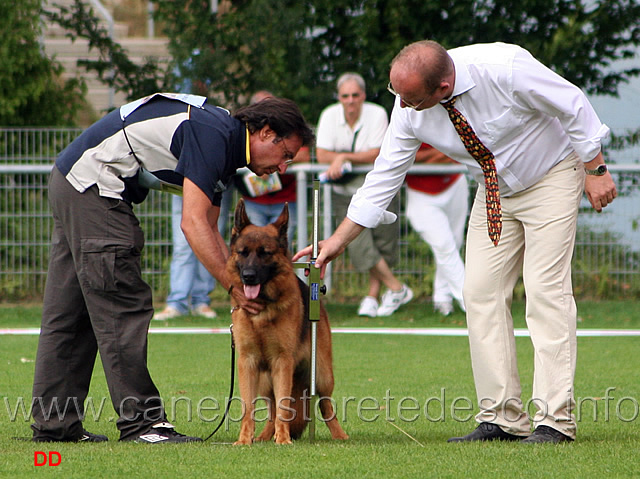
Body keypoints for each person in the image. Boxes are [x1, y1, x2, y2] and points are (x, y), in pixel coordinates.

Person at [294, 40, 617, 443]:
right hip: (494, 190)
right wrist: (337, 241)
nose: (402, 106)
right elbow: (383, 177)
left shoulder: (504, 66)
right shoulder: (407, 105)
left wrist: (595, 166)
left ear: (443, 88)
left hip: (552, 173)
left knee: (544, 290)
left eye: (410, 99)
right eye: (398, 94)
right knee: (479, 292)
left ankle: (555, 422)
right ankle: (501, 418)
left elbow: (572, 102)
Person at [32, 93, 314, 443]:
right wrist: (235, 286)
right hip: (95, 188)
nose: (284, 167)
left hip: (72, 180)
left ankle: (54, 425)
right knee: (122, 303)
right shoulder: (214, 136)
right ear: (266, 132)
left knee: (70, 312)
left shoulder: (224, 145)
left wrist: (240, 282)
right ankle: (143, 425)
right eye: (286, 154)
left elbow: (210, 229)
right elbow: (193, 223)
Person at [316, 72, 413, 317]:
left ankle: (373, 295)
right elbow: (321, 155)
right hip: (344, 191)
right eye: (345, 96)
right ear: (339, 97)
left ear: (363, 96)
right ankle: (397, 288)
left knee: (383, 244)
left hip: (379, 190)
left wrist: (343, 157)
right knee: (358, 244)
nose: (350, 101)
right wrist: (339, 158)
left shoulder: (377, 113)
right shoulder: (329, 115)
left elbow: (376, 153)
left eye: (355, 95)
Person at [153, 52, 221, 321]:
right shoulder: (177, 112)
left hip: (209, 186)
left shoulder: (209, 114)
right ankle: (178, 300)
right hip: (182, 184)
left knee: (211, 236)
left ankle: (202, 299)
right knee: (183, 244)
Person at [232, 90, 310, 251]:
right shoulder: (236, 140)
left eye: (288, 157)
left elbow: (305, 155)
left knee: (279, 250)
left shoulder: (289, 131)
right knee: (254, 249)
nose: (282, 168)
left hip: (285, 200)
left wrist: (276, 157)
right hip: (254, 201)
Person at [406, 143, 468, 316]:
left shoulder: (451, 115)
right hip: (420, 194)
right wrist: (441, 153)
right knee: (444, 245)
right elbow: (404, 156)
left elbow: (459, 148)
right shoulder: (407, 117)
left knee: (454, 243)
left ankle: (442, 299)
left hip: (454, 183)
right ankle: (470, 302)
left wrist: (421, 160)